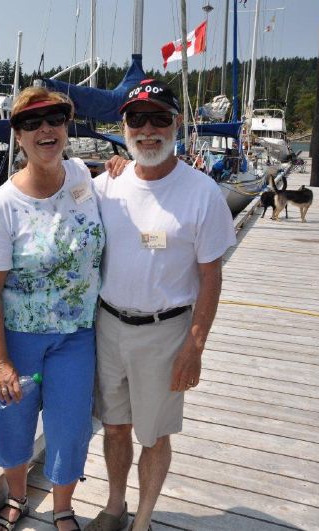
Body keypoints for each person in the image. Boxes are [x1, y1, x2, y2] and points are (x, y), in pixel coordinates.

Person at [86, 79, 236, 531]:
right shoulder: (104, 185)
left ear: (177, 123)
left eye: (159, 119)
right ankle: (115, 507)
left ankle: (143, 521)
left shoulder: (202, 192)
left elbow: (212, 275)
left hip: (167, 330)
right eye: (137, 118)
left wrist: (196, 345)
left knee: (154, 434)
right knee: (114, 427)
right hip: (108, 325)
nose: (148, 130)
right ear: (124, 126)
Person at [0, 87, 105, 531]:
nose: (46, 129)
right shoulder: (1, 207)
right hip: (15, 338)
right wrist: (2, 361)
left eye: (55, 119)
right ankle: (16, 497)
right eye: (32, 122)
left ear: (67, 128)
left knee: (69, 425)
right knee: (13, 423)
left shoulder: (83, 174)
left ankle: (62, 506)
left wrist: (122, 168)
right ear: (19, 136)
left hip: (76, 334)